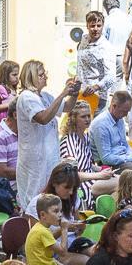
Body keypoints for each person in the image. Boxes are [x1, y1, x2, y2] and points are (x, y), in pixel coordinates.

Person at [15, 60, 79, 215]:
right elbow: (43, 118)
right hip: (34, 159)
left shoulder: (45, 96)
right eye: (41, 74)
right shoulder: (26, 97)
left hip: (49, 157)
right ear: (31, 77)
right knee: (34, 200)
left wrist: (75, 92)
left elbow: (68, 107)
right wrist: (63, 93)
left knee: (49, 199)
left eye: (45, 73)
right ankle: (30, 232)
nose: (45, 77)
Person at [74, 10, 120, 104]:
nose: (96, 29)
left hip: (97, 97)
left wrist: (95, 87)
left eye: (99, 26)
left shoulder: (106, 47)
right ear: (87, 26)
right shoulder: (84, 39)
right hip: (81, 93)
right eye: (92, 26)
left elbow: (111, 76)